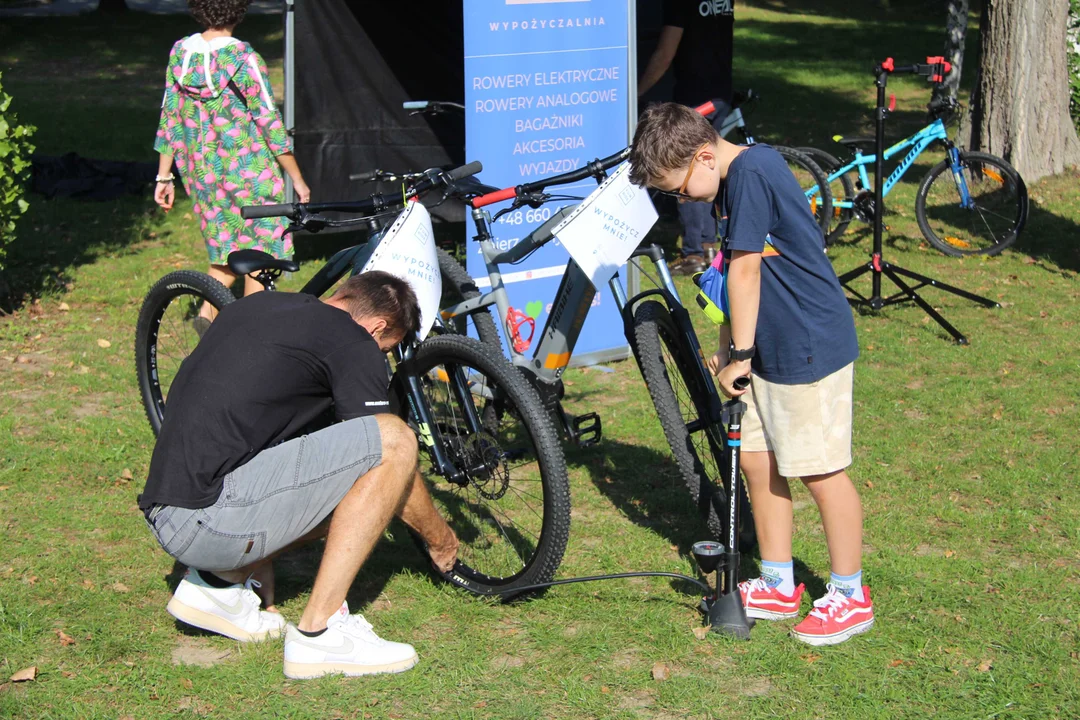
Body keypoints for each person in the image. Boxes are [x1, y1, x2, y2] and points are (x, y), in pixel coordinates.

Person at [628, 103, 873, 646]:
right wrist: (730, 349)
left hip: (805, 345)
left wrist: (739, 352)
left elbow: (746, 268)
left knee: (819, 469)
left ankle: (851, 596)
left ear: (705, 156)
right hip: (764, 347)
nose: (681, 199)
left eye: (678, 188)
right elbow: (725, 275)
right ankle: (780, 583)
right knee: (760, 465)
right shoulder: (730, 183)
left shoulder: (753, 173)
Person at [138, 271, 460, 678]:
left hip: (170, 507)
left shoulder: (258, 305)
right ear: (378, 326)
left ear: (343, 295)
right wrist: (440, 538)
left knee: (346, 468)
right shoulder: (353, 340)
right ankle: (319, 634)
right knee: (393, 440)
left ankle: (218, 586)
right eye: (386, 347)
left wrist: (258, 553)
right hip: (210, 518)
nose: (379, 355)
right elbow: (386, 457)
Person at [152, 0, 311, 329]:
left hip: (203, 173)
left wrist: (163, 176)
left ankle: (208, 316)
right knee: (262, 253)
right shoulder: (244, 59)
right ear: (239, 11)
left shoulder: (181, 53)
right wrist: (297, 178)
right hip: (250, 173)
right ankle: (247, 333)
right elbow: (269, 123)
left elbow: (169, 118)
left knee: (226, 250)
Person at [638, 0, 736, 274]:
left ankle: (694, 252)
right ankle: (708, 244)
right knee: (708, 164)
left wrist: (638, 91)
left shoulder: (680, 3)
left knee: (687, 168)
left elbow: (665, 52)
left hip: (694, 96)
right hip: (720, 92)